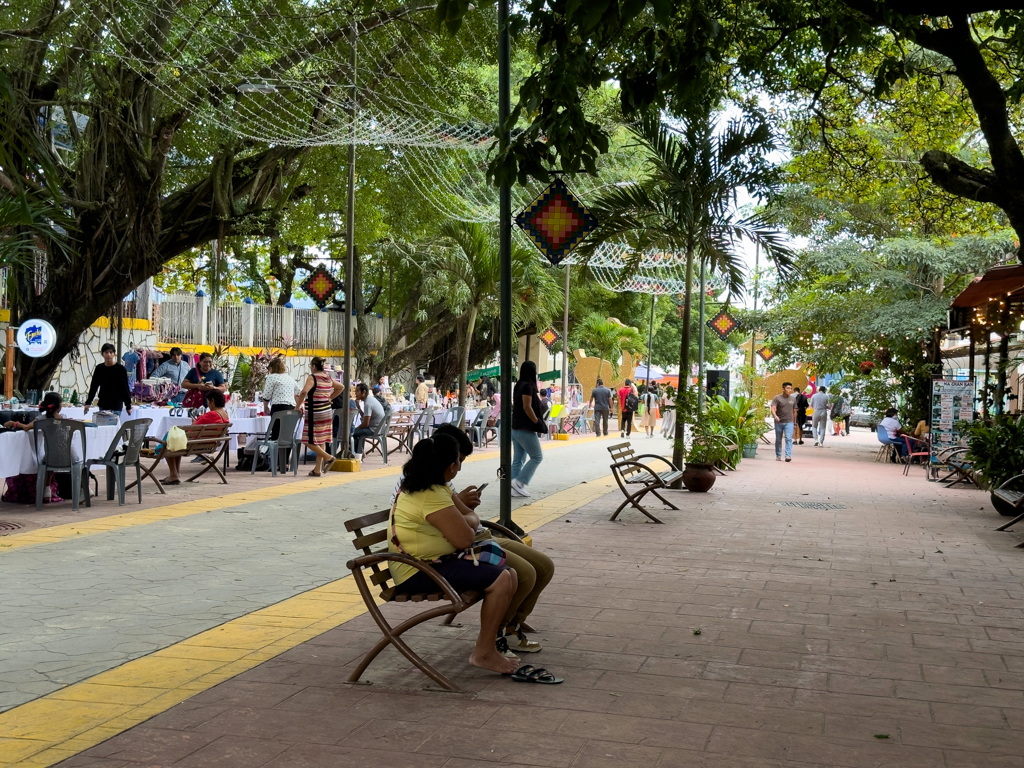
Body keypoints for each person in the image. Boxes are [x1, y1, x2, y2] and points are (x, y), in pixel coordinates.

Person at [389, 424, 554, 655]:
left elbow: (468, 519)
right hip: (431, 563)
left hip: (462, 548)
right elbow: (464, 536)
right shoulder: (429, 492)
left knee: (543, 566)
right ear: (447, 463)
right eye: (458, 461)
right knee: (516, 574)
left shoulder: (437, 485)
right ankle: (494, 640)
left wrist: (467, 517)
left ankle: (508, 627)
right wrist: (467, 518)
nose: (459, 468)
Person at [3, 392, 81, 503]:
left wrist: (14, 423)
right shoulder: (64, 418)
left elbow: (26, 428)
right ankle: (84, 489)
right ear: (59, 407)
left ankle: (46, 490)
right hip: (71, 455)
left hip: (51, 457)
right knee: (79, 463)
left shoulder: (41, 419)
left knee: (46, 462)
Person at [161, 389, 230, 485]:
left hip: (197, 444)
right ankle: (175, 474)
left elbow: (192, 430)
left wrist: (194, 422)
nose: (208, 405)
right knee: (175, 440)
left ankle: (174, 474)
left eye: (208, 402)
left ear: (213, 401)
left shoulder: (212, 414)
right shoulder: (225, 414)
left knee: (171, 440)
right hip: (209, 442)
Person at [296, 357, 344, 476]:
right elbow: (341, 387)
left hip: (315, 413)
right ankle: (317, 469)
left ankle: (328, 457)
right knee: (321, 439)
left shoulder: (312, 377)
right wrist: (330, 398)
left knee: (307, 440)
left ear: (313, 366)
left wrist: (298, 406)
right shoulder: (327, 377)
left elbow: (304, 392)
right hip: (327, 412)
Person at [510, 360, 545, 498]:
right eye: (535, 371)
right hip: (525, 428)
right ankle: (519, 482)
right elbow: (527, 406)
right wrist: (536, 421)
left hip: (515, 427)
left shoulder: (518, 385)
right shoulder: (528, 387)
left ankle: (512, 488)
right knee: (537, 457)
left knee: (518, 459)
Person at [84, 343, 133, 416]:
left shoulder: (120, 369)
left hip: (116, 404)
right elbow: (94, 386)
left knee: (114, 426)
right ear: (102, 354)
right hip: (103, 404)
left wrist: (128, 406)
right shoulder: (99, 369)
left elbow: (124, 388)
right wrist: (88, 402)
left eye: (111, 352)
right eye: (106, 352)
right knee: (103, 426)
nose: (108, 355)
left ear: (114, 354)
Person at [352, 382, 385, 460]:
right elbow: (366, 417)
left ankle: (357, 455)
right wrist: (359, 408)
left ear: (364, 392)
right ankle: (359, 453)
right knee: (355, 432)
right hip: (378, 428)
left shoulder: (368, 403)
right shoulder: (370, 400)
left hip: (373, 430)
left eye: (357, 391)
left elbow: (365, 424)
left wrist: (356, 428)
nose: (355, 393)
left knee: (352, 433)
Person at [771, 382, 797, 462]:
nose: (789, 390)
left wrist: (795, 422)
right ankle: (778, 455)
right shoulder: (777, 398)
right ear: (783, 389)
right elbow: (773, 408)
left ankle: (788, 455)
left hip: (789, 422)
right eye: (788, 388)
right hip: (779, 422)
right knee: (778, 439)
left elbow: (794, 411)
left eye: (790, 388)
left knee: (788, 438)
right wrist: (775, 416)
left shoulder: (793, 399)